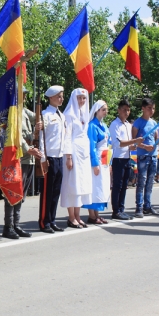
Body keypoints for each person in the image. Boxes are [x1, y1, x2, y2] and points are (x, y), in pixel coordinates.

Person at [3, 90, 43, 239]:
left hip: (28, 158)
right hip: (18, 157)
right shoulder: (12, 112)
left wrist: (40, 123)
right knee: (13, 192)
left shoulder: (24, 111)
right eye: (21, 94)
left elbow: (38, 118)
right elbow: (14, 133)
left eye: (25, 94)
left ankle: (16, 225)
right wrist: (28, 149)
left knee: (22, 194)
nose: (24, 97)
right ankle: (8, 226)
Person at [60, 88, 92, 228]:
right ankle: (71, 216)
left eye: (84, 98)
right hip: (73, 153)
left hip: (83, 155)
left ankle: (78, 216)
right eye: (79, 98)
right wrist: (68, 157)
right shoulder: (69, 114)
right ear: (74, 98)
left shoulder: (84, 115)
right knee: (71, 184)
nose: (82, 101)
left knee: (81, 185)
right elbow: (67, 137)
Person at [38, 85, 66, 234]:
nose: (61, 99)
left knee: (56, 191)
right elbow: (42, 138)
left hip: (59, 156)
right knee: (47, 192)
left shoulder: (61, 115)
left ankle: (52, 219)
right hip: (50, 157)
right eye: (59, 96)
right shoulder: (45, 115)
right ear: (51, 97)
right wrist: (43, 158)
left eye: (62, 96)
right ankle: (44, 221)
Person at [109, 100, 142, 220]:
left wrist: (133, 145)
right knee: (117, 185)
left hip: (127, 158)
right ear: (119, 110)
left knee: (124, 186)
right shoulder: (114, 125)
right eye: (124, 110)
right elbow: (118, 143)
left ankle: (121, 209)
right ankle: (116, 211)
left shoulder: (128, 125)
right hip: (118, 159)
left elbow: (129, 143)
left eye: (128, 110)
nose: (126, 112)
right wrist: (134, 141)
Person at [83, 100, 111, 224]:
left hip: (105, 159)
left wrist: (109, 162)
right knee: (95, 186)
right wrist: (95, 163)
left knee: (102, 186)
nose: (105, 112)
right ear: (97, 111)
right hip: (97, 159)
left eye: (106, 109)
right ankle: (92, 215)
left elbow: (108, 144)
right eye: (103, 109)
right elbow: (92, 146)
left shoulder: (104, 125)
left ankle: (97, 214)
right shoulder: (92, 125)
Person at [132, 98, 158, 218]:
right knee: (141, 182)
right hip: (143, 155)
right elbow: (134, 141)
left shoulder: (153, 123)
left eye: (153, 108)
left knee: (150, 182)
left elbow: (156, 139)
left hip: (153, 156)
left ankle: (148, 205)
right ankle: (139, 207)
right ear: (143, 108)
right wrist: (144, 146)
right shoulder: (138, 122)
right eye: (149, 108)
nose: (151, 111)